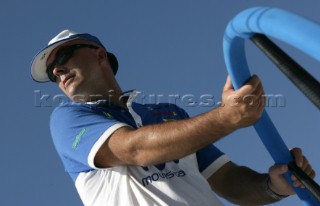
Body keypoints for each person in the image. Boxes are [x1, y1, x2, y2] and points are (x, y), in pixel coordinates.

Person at [31, 29, 316, 206]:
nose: (57, 70)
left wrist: (273, 186)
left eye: (64, 56)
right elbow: (134, 149)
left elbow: (226, 179)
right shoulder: (68, 118)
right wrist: (227, 117)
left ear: (100, 56)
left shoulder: (170, 114)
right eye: (52, 70)